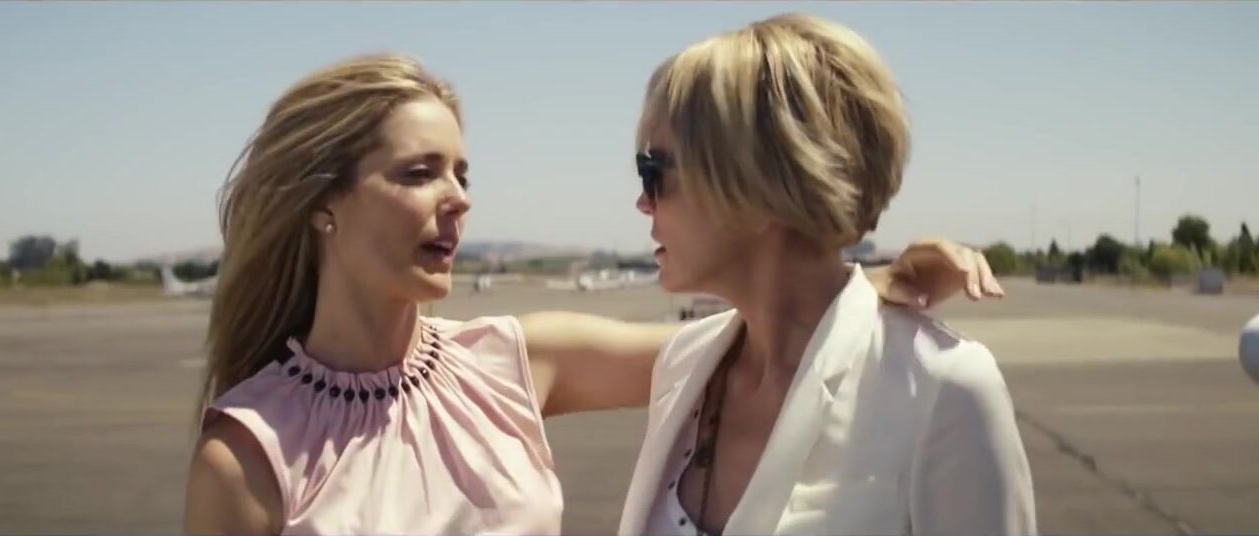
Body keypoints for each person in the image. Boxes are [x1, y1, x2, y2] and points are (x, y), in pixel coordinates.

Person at [181, 53, 1004, 535]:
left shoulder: (511, 363)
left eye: (463, 173)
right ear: (322, 203)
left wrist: (878, 277)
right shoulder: (247, 455)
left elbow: (769, 334)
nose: (459, 198)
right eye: (419, 173)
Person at [616, 13, 1035, 536]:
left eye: (653, 172)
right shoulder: (684, 363)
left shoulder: (941, 388)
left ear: (756, 182)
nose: (642, 202)